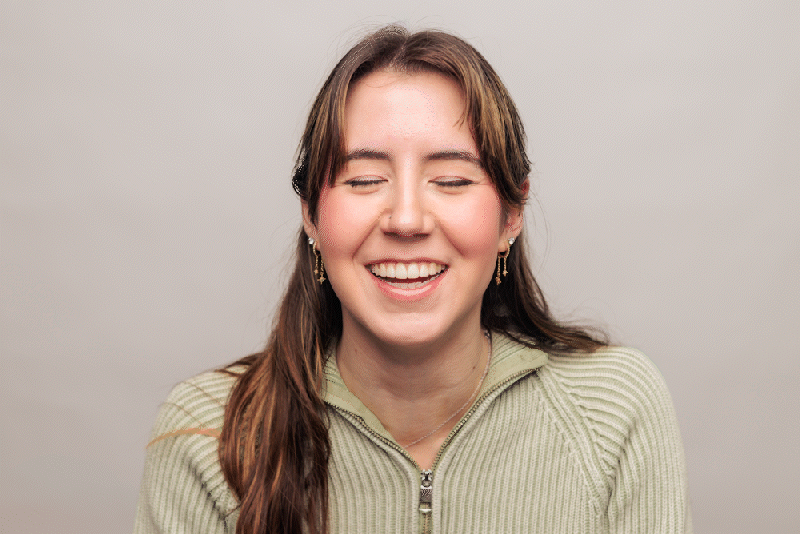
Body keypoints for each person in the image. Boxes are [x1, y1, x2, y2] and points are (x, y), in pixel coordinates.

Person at [134, 25, 691, 534]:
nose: (406, 220)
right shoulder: (209, 436)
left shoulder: (613, 411)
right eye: (364, 179)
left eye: (451, 180)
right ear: (312, 216)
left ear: (510, 215)